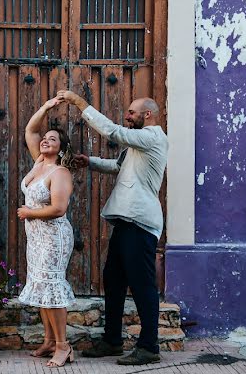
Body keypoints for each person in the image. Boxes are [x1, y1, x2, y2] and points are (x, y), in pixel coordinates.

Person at [57, 90, 168, 366]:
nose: (127, 116)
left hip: (140, 222)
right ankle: (112, 341)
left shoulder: (152, 136)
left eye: (132, 112)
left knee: (143, 285)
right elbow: (120, 166)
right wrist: (89, 162)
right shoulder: (139, 143)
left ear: (148, 114)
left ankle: (149, 347)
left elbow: (113, 132)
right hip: (126, 221)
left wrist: (81, 103)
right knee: (114, 280)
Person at [16, 95, 76, 368]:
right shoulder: (38, 162)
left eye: (53, 139)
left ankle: (64, 346)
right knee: (41, 286)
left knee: (51, 285)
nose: (46, 140)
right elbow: (30, 129)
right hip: (37, 237)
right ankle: (49, 341)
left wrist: (29, 213)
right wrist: (46, 107)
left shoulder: (60, 172)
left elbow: (58, 209)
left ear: (61, 148)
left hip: (54, 236)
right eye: (46, 137)